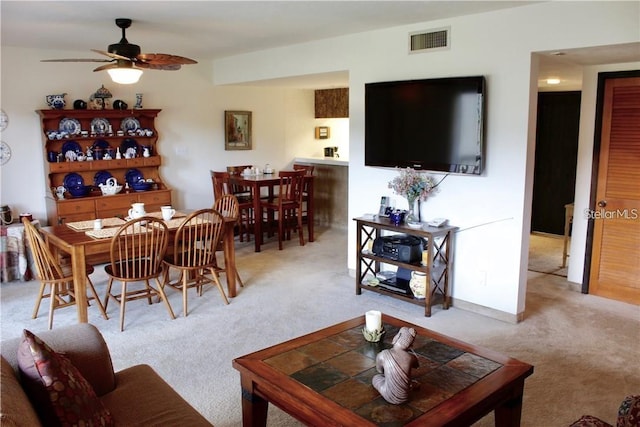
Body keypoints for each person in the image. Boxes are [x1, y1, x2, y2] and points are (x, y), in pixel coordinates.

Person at [372, 326, 419, 404]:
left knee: (376, 378)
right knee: (408, 381)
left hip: (388, 395)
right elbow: (416, 366)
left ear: (396, 337)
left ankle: (401, 386)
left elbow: (380, 371)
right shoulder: (411, 357)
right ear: (410, 345)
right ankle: (410, 385)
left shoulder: (382, 355)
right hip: (405, 396)